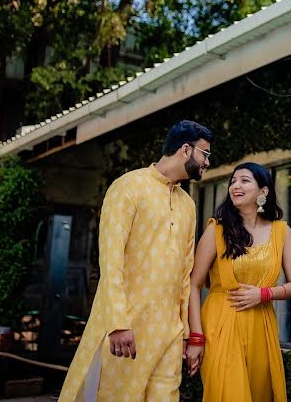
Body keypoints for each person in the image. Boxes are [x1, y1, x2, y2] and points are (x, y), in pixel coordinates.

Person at [58, 120, 214, 401]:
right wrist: (118, 323)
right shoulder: (128, 187)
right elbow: (111, 260)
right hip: (128, 328)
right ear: (185, 149)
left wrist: (184, 333)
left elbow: (184, 274)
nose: (206, 163)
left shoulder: (187, 205)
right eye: (205, 154)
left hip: (168, 332)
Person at [185, 162, 291, 402]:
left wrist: (264, 294)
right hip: (221, 323)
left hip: (262, 325)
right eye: (233, 181)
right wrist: (196, 337)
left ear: (263, 192)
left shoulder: (281, 231)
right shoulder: (216, 230)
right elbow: (194, 284)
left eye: (245, 180)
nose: (236, 185)